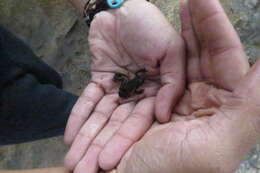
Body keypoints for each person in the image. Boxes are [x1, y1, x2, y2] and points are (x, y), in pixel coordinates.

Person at [64, 0, 260, 173]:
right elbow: (132, 84)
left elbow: (134, 81)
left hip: (128, 85)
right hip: (127, 87)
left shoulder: (138, 80)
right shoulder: (135, 82)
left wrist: (111, 7)